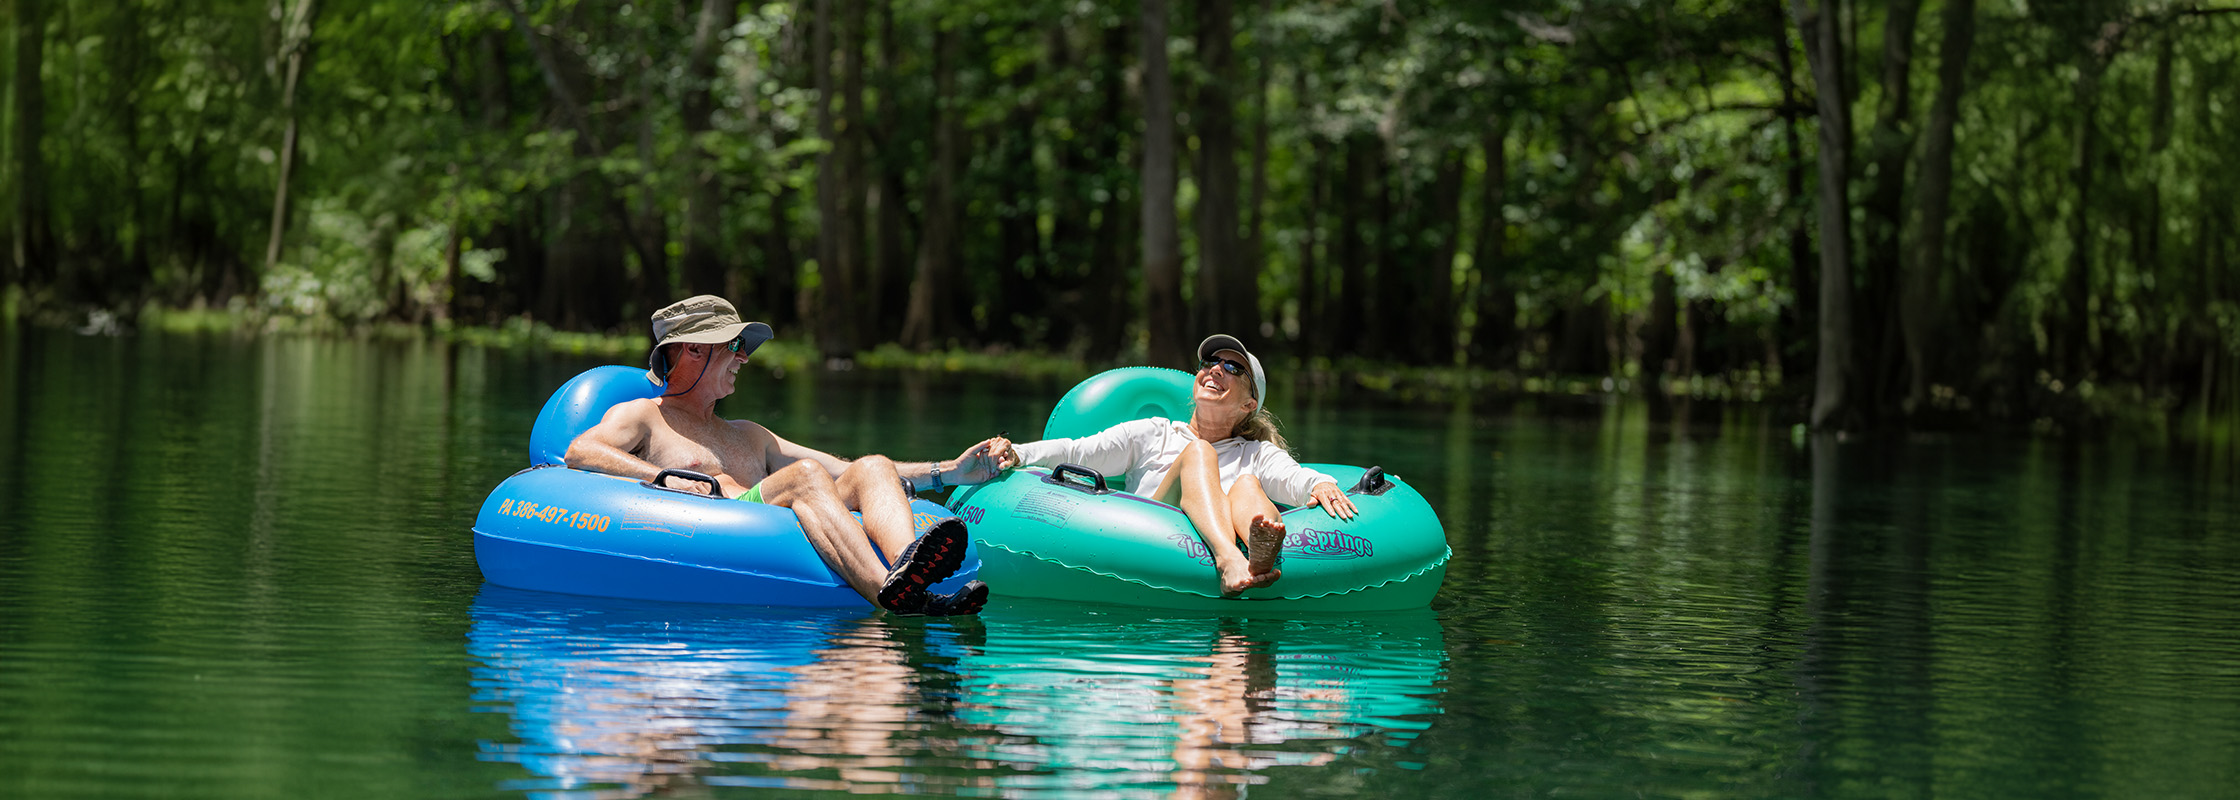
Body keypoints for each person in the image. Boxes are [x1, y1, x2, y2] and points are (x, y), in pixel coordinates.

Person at [566, 295, 1004, 616]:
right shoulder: (645, 416)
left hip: (770, 505)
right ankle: (889, 592)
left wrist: (950, 471)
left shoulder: (750, 435)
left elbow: (846, 471)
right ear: (693, 349)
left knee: (873, 466)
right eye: (735, 346)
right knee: (805, 475)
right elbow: (581, 450)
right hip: (721, 521)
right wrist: (663, 476)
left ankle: (909, 571)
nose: (745, 358)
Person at [988, 335, 1359, 595]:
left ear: (1249, 405)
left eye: (1232, 368)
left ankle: (1259, 559)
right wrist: (1018, 452)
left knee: (1249, 484)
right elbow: (1077, 451)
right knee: (1200, 453)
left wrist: (1320, 485)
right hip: (1154, 535)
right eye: (1210, 362)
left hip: (1217, 548)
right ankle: (1230, 557)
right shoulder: (1154, 433)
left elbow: (1294, 476)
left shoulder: (1255, 453)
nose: (1216, 369)